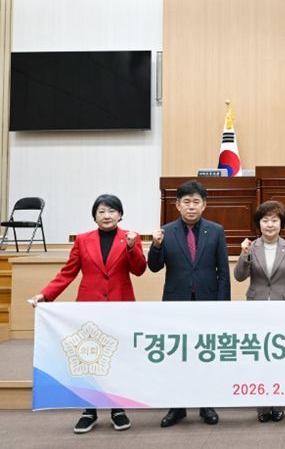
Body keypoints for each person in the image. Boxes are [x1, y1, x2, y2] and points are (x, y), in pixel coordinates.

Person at [30, 194, 146, 434]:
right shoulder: (82, 240)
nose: (107, 215)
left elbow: (139, 270)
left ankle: (117, 408)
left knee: (117, 357)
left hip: (120, 306)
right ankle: (89, 410)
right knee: (89, 357)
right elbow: (67, 273)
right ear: (94, 216)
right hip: (88, 307)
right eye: (101, 211)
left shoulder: (130, 238)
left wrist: (132, 248)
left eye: (112, 211)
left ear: (120, 215)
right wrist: (45, 295)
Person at [148, 180, 230, 428]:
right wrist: (156, 246)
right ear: (177, 205)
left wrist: (223, 306)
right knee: (178, 355)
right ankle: (177, 406)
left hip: (208, 302)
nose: (191, 206)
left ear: (204, 205)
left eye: (196, 202)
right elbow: (154, 267)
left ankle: (206, 404)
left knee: (205, 355)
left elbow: (223, 272)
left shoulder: (216, 231)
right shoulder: (166, 231)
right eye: (186, 202)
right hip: (176, 302)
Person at [234, 200, 285, 423]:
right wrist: (244, 255)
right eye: (265, 220)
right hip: (257, 308)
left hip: (283, 309)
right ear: (259, 224)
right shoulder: (251, 246)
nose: (270, 224)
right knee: (260, 358)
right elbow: (239, 276)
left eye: (274, 220)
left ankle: (279, 404)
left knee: (280, 358)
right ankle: (262, 407)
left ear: (281, 223)